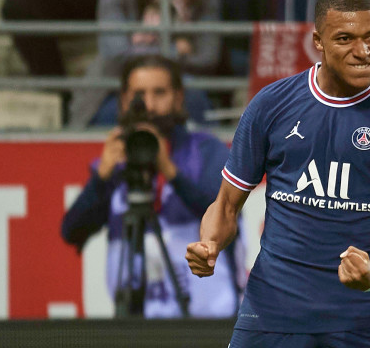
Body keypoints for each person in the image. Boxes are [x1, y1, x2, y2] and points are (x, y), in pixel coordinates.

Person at [185, 0, 370, 348]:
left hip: (363, 310)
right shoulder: (271, 105)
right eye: (345, 39)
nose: (364, 51)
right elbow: (226, 206)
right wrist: (210, 244)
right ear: (317, 41)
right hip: (275, 307)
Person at [61, 54, 245, 318]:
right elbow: (72, 231)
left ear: (178, 98)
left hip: (209, 319)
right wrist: (102, 178)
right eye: (139, 94)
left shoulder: (206, 150)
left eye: (159, 93)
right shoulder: (117, 159)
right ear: (123, 100)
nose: (149, 104)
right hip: (137, 321)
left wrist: (170, 171)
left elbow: (224, 215)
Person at [67, 0, 221, 127]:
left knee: (192, 96)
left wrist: (139, 50)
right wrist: (175, 51)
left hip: (180, 85)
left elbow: (207, 58)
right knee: (117, 113)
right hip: (116, 86)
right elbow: (116, 54)